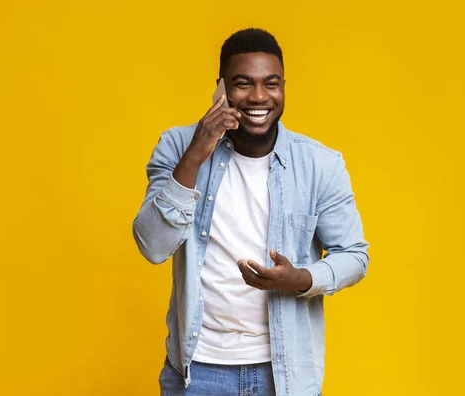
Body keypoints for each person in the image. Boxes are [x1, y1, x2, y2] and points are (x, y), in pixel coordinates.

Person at [132, 28, 369, 396]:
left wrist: (301, 278)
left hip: (285, 374)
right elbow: (152, 245)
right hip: (198, 373)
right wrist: (196, 154)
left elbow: (355, 256)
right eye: (243, 84)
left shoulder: (321, 165)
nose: (258, 97)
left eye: (270, 84)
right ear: (221, 88)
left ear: (284, 87)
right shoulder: (178, 146)